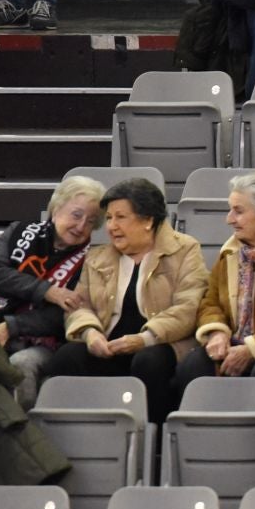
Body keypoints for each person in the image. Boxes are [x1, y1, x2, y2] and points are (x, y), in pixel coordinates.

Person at [43, 179, 206, 426]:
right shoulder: (98, 257)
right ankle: (70, 441)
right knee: (68, 357)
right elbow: (79, 305)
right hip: (110, 344)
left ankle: (154, 445)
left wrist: (144, 339)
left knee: (149, 361)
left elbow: (188, 307)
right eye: (108, 218)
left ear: (147, 220)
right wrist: (90, 333)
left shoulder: (184, 250)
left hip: (162, 344)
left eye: (120, 217)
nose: (111, 226)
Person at [0, 173, 100, 407]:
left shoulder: (93, 260)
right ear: (56, 209)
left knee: (22, 363)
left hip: (50, 342)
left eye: (91, 221)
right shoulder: (19, 231)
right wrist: (46, 291)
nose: (81, 226)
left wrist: (12, 327)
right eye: (76, 215)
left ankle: (26, 437)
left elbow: (63, 316)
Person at [173, 170, 255, 404]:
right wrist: (217, 332)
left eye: (238, 211)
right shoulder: (230, 252)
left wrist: (253, 348)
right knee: (193, 366)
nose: (229, 219)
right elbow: (210, 302)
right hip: (234, 344)